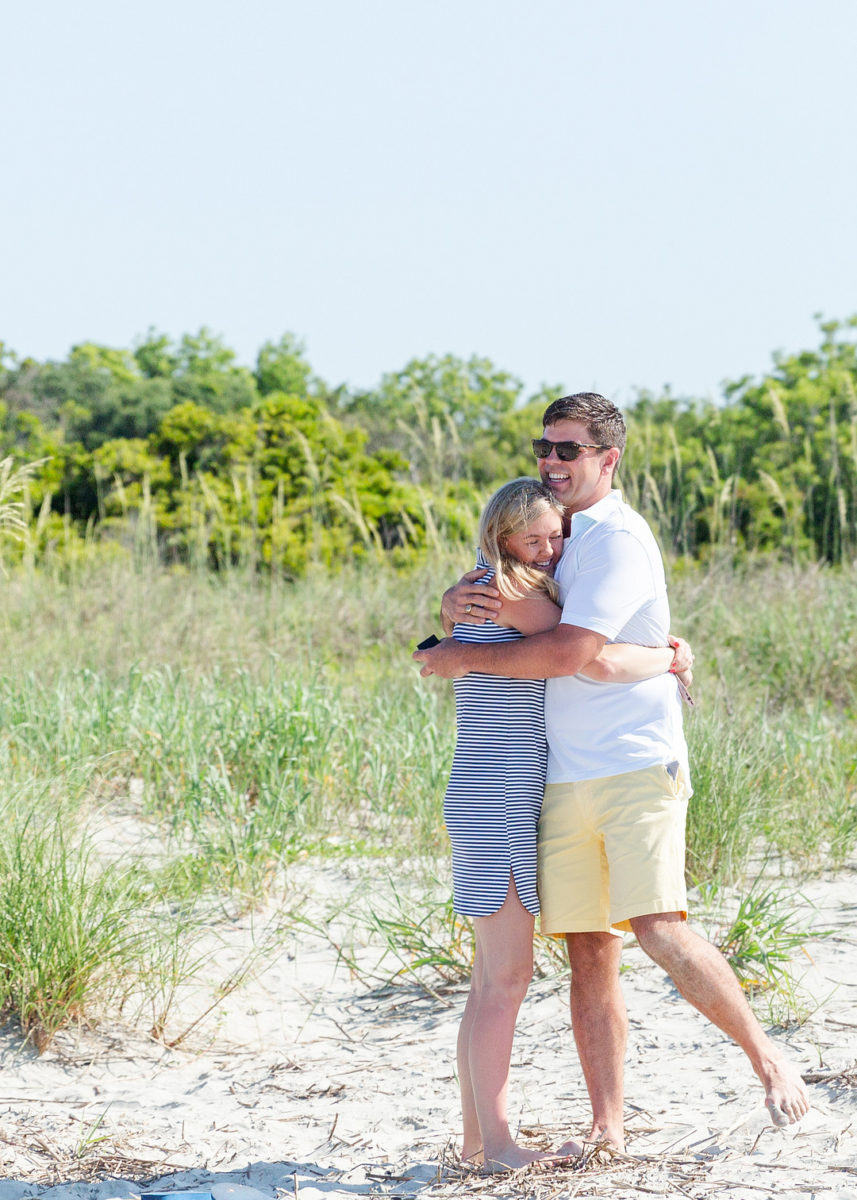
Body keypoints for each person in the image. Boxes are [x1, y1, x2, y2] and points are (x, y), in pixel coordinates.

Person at [415, 392, 809, 1155]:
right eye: (544, 448)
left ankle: (767, 1060)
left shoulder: (615, 538)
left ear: (607, 458)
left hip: (630, 765)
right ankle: (604, 1125)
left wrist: (461, 643)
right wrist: (461, 608)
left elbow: (573, 651)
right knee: (582, 955)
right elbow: (549, 628)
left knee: (657, 929)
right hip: (551, 781)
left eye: (568, 450)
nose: (552, 462)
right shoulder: (545, 549)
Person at [437, 475, 689, 1172]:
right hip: (497, 797)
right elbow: (586, 654)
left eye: (556, 537)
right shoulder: (514, 591)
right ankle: (496, 1147)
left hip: (492, 793)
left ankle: (475, 1142)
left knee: (492, 977)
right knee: (505, 980)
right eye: (532, 538)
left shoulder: (488, 585)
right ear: (500, 537)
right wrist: (669, 656)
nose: (547, 550)